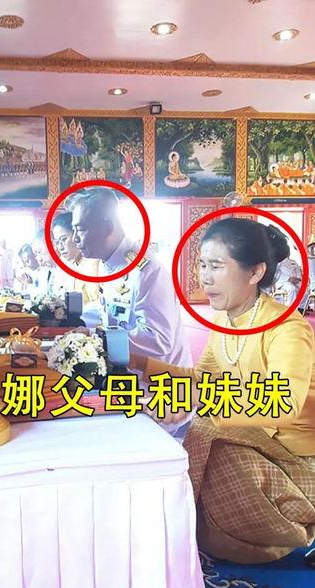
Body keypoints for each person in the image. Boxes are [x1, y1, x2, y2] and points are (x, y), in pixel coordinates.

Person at [131, 218, 315, 563]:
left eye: (217, 266)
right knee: (202, 433)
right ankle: (202, 531)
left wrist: (200, 402)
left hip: (296, 459)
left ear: (255, 272)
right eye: (202, 265)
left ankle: (293, 524)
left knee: (209, 435)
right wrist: (139, 362)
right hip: (257, 443)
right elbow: (201, 379)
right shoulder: (226, 321)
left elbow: (285, 404)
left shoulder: (287, 328)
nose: (205, 277)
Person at [70, 187, 192, 367]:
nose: (75, 239)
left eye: (80, 229)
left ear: (107, 227)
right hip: (127, 370)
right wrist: (77, 322)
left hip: (158, 380)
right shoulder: (109, 262)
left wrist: (95, 336)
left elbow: (158, 340)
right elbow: (109, 312)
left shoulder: (147, 271)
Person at [51, 211, 101, 325]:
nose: (60, 247)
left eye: (64, 239)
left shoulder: (94, 261)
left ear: (77, 235)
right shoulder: (62, 263)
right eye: (57, 242)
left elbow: (100, 304)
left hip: (90, 325)